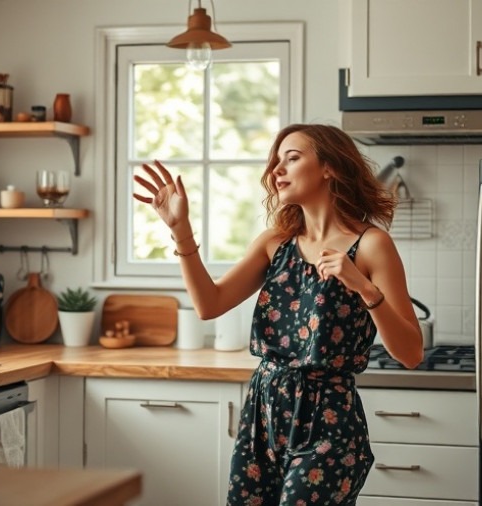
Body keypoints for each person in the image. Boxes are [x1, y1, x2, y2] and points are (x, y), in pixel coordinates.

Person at [133, 123, 423, 505]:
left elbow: (411, 353)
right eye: (275, 162)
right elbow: (209, 304)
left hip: (329, 419)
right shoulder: (276, 242)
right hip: (263, 411)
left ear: (329, 167)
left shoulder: (371, 245)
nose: (277, 170)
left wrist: (364, 288)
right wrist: (181, 230)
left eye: (292, 158)